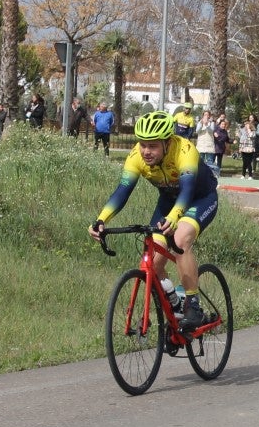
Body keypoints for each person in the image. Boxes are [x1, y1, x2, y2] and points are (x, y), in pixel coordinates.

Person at [89, 111, 220, 331]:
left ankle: (192, 303)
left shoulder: (184, 150)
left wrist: (175, 216)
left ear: (167, 143)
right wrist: (101, 219)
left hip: (200, 198)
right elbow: (122, 191)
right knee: (153, 259)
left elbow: (187, 191)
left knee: (180, 240)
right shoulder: (136, 157)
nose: (146, 151)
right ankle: (174, 306)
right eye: (143, 145)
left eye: (153, 146)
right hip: (168, 201)